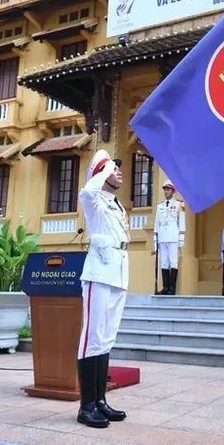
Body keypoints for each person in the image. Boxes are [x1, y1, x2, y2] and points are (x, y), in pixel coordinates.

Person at [76, 149, 129, 429]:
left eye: (117, 168)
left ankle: (99, 402)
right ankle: (85, 407)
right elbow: (87, 190)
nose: (118, 172)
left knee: (106, 339)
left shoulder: (115, 204)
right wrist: (103, 168)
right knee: (91, 338)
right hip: (98, 274)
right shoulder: (94, 199)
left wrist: (107, 167)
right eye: (112, 169)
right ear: (101, 174)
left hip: (117, 273)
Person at [152, 180, 186, 295]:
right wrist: (155, 239)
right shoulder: (160, 206)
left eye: (168, 189)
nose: (166, 191)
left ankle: (172, 288)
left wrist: (181, 238)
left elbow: (181, 221)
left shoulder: (179, 205)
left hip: (173, 237)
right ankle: (165, 287)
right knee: (164, 262)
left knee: (173, 262)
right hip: (162, 237)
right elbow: (157, 223)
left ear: (173, 191)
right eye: (165, 189)